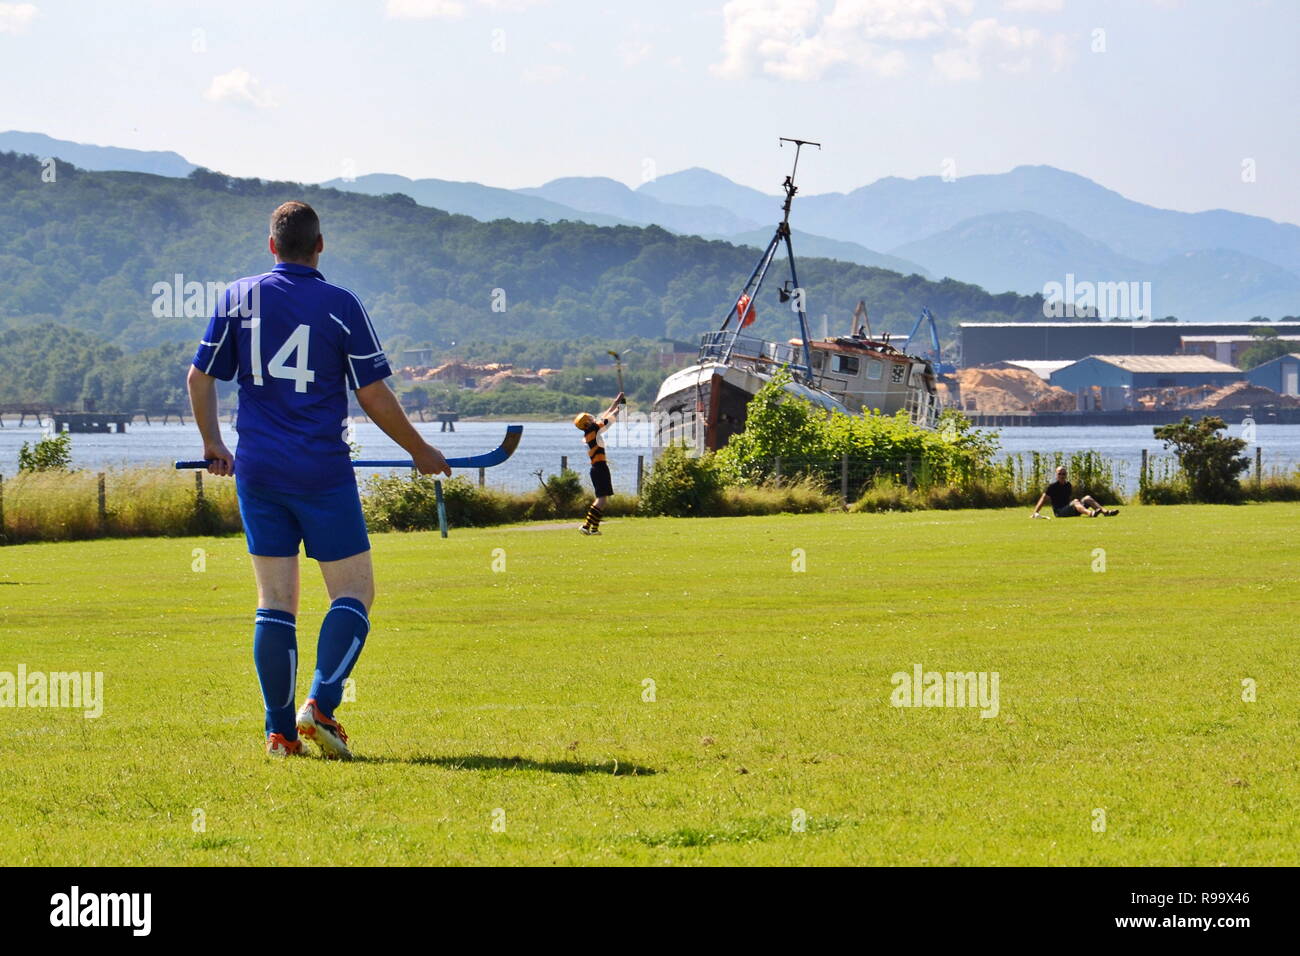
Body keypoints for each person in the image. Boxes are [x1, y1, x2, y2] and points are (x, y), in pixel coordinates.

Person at [186, 200, 449, 759]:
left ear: (272, 245)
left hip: (257, 469)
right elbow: (372, 394)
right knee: (354, 592)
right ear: (320, 246)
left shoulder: (236, 298)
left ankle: (278, 733)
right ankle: (321, 707)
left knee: (275, 601)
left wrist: (213, 443)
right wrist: (420, 448)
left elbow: (199, 376)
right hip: (322, 472)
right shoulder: (341, 305)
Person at [574, 392, 624, 535]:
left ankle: (594, 529)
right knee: (601, 500)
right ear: (587, 422)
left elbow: (605, 416)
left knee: (603, 499)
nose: (592, 417)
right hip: (599, 468)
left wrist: (616, 402)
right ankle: (586, 526)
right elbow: (609, 420)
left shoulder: (590, 430)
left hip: (598, 468)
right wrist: (620, 408)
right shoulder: (593, 430)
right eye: (589, 417)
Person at [1032, 465, 1118, 518]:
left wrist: (1077, 504)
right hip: (1060, 512)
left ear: (1066, 475)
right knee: (1076, 501)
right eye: (1059, 474)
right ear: (1056, 475)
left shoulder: (1068, 485)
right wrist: (1035, 512)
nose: (1062, 476)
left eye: (1063, 474)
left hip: (1069, 509)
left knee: (1087, 498)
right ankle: (1091, 514)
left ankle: (1106, 512)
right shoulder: (1052, 487)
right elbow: (1043, 499)